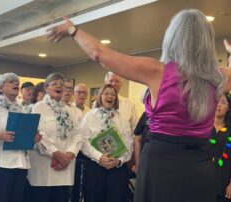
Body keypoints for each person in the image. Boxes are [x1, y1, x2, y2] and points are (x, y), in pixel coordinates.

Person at [48, 9, 231, 202]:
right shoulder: (218, 76)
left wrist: (73, 30)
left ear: (173, 38)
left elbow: (99, 54)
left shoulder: (157, 72)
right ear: (207, 41)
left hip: (160, 162)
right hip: (200, 165)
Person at [0, 73, 41, 202]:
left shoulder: (23, 110)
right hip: (0, 165)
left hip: (21, 165)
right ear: (1, 88)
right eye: (11, 81)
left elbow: (27, 138)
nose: (16, 83)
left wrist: (33, 138)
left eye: (17, 82)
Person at [27, 73, 82, 202]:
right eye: (54, 83)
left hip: (64, 169)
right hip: (43, 170)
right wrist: (57, 155)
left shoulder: (70, 110)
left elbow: (78, 135)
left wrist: (69, 155)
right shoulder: (38, 107)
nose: (59, 86)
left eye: (61, 84)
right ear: (46, 88)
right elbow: (39, 135)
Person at [80, 84, 133, 202]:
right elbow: (83, 141)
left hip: (117, 169)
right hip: (95, 167)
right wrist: (100, 157)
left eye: (113, 94)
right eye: (106, 94)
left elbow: (129, 142)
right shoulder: (90, 116)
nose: (110, 96)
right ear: (100, 97)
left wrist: (119, 161)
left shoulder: (121, 118)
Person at [70, 83, 90, 202]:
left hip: (86, 151)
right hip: (73, 151)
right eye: (79, 92)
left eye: (84, 93)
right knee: (72, 183)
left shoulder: (90, 111)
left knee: (83, 182)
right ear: (74, 94)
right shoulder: (69, 109)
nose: (81, 95)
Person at [210, 93, 231, 202]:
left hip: (225, 183)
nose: (218, 105)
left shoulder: (230, 129)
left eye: (223, 102)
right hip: (202, 181)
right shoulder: (202, 127)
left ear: (228, 108)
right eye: (217, 101)